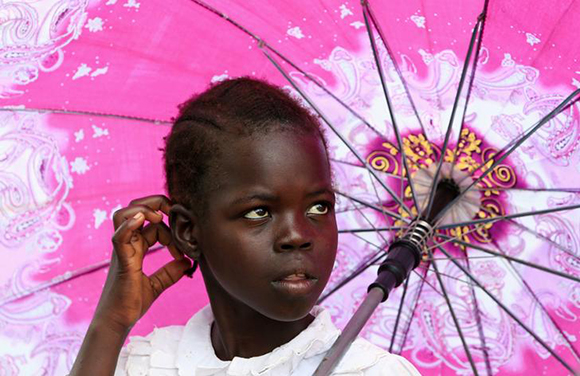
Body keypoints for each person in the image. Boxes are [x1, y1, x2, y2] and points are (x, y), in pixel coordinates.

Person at [69, 78, 421, 376]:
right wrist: (112, 322)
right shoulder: (148, 364)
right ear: (188, 232)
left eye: (318, 206)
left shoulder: (371, 371)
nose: (297, 236)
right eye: (258, 213)